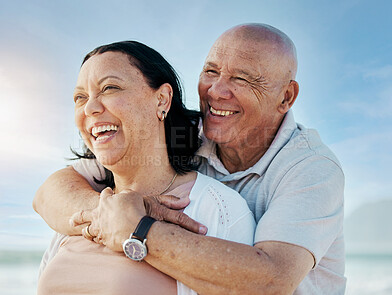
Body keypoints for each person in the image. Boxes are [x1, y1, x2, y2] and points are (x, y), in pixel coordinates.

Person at [34, 23, 346, 294]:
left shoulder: (312, 169)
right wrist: (109, 213)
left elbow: (270, 282)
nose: (216, 91)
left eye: (242, 79)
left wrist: (139, 229)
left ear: (286, 97)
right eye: (211, 71)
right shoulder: (189, 132)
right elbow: (53, 190)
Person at [36, 40, 255, 295]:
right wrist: (109, 213)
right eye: (80, 97)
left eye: (109, 88)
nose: (90, 108)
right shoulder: (76, 211)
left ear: (162, 100)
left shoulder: (218, 210)